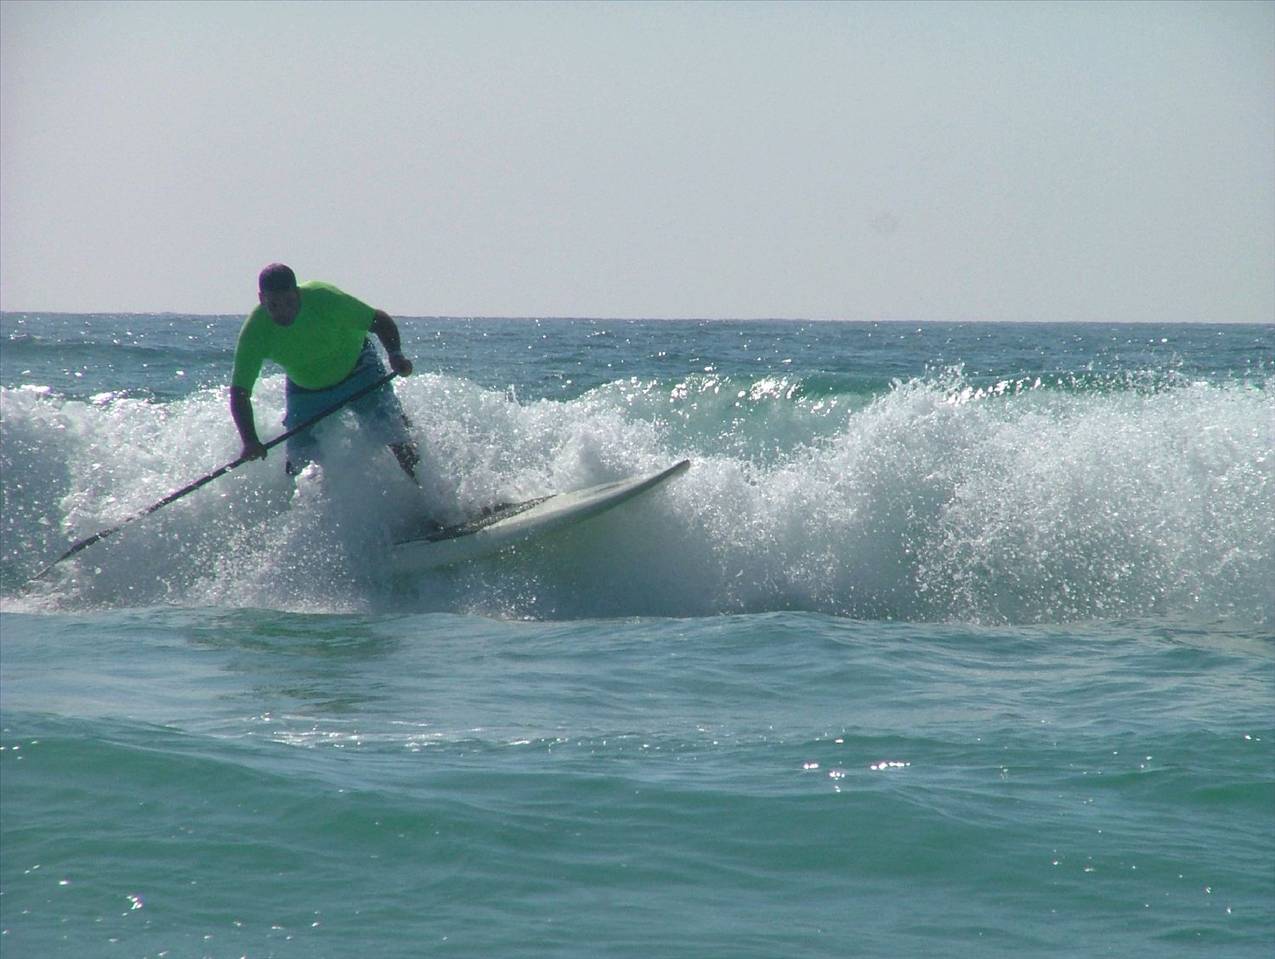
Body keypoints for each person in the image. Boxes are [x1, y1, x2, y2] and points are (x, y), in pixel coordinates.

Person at [229, 263, 421, 481]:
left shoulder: (325, 298)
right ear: (262, 298)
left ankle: (428, 495)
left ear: (297, 293)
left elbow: (378, 320)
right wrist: (250, 440)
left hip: (360, 372)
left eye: (289, 302)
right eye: (274, 305)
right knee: (297, 464)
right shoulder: (254, 333)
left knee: (394, 434)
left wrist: (395, 355)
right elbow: (239, 393)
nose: (283, 313)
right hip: (307, 392)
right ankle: (301, 514)